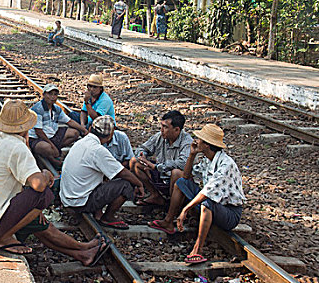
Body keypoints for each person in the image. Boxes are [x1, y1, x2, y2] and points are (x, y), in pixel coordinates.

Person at [0, 100, 109, 266]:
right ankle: (3, 238)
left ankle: (82, 252)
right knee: (43, 195)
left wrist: (33, 211)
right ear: (24, 127)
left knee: (36, 221)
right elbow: (39, 185)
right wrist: (44, 173)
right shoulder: (16, 146)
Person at [148, 124, 246, 265]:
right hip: (215, 205)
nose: (196, 141)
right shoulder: (208, 159)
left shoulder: (226, 165)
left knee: (206, 203)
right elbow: (187, 176)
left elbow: (207, 193)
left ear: (207, 145)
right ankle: (168, 221)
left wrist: (185, 209)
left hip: (229, 213)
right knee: (181, 181)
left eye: (200, 139)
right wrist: (192, 155)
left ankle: (197, 249)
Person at [60, 116, 145, 230]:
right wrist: (139, 184)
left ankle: (97, 212)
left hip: (68, 199)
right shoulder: (97, 150)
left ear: (90, 129)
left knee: (103, 177)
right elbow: (122, 172)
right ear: (110, 135)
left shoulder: (81, 142)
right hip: (80, 203)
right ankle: (108, 217)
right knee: (126, 185)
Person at [129, 110, 193, 206]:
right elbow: (142, 148)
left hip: (176, 180)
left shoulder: (187, 142)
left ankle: (173, 205)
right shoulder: (160, 136)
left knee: (176, 173)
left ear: (177, 130)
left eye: (165, 127)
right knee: (135, 162)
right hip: (161, 175)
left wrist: (156, 167)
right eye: (162, 126)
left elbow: (182, 163)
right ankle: (155, 196)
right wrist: (143, 157)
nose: (161, 130)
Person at [28, 84, 88, 167]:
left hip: (51, 135)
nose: (52, 97)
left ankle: (55, 152)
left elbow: (69, 121)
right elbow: (39, 132)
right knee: (45, 147)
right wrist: (52, 146)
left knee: (74, 133)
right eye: (50, 94)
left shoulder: (56, 108)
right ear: (44, 95)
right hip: (37, 138)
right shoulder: (38, 109)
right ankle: (54, 160)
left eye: (55, 94)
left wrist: (84, 130)